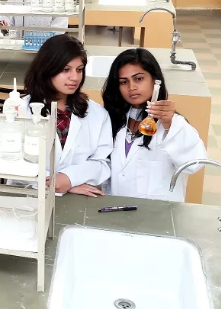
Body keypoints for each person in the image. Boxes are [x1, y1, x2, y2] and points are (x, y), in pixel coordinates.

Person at [101, 48, 207, 202]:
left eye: (138, 79)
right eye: (124, 82)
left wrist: (170, 124)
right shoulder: (114, 121)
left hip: (158, 213)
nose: (131, 87)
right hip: (116, 208)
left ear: (155, 81)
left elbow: (193, 165)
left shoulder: (174, 125)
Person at [20, 34, 113, 196]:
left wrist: (69, 178)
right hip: (29, 197)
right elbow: (10, 161)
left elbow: (102, 163)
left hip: (77, 201)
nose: (75, 77)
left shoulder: (97, 114)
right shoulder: (21, 110)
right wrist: (59, 183)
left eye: (79, 70)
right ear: (47, 69)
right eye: (66, 70)